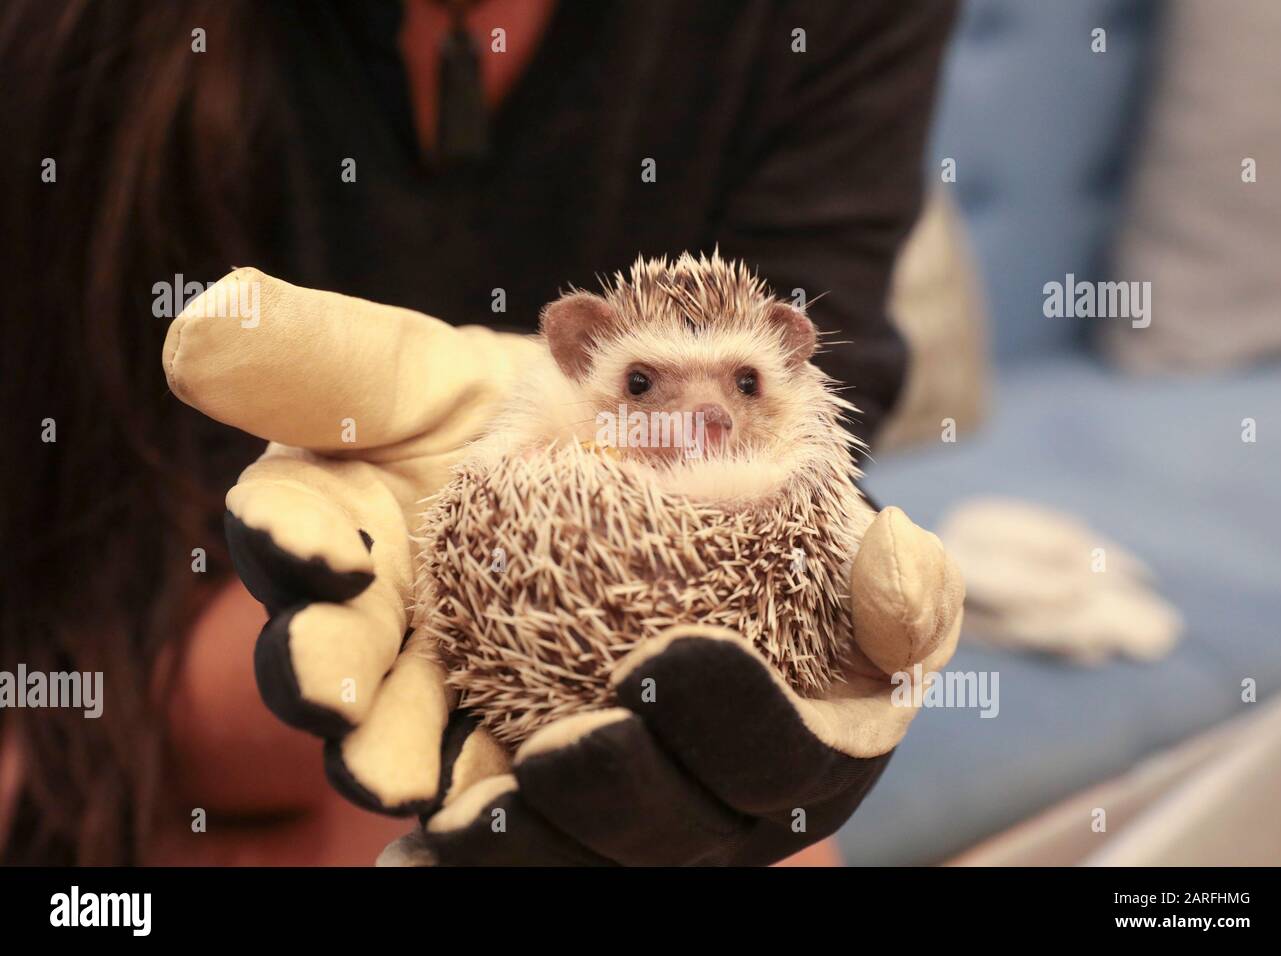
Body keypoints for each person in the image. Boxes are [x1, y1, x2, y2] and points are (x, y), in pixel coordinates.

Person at [0, 0, 956, 865]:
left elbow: (836, 411)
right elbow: (69, 547)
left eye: (742, 384)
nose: (699, 414)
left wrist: (828, 630)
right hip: (150, 642)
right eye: (646, 382)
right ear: (579, 356)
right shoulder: (81, 43)